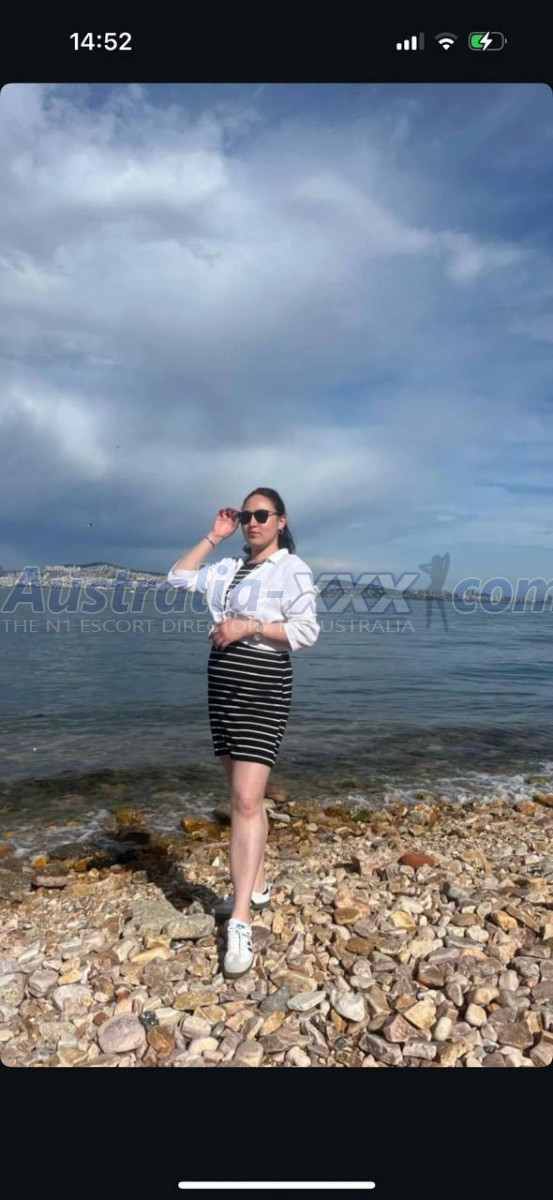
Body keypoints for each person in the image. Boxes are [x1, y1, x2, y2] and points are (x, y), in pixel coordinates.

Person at [166, 487, 320, 979]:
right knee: (240, 798)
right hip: (223, 688)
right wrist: (214, 535)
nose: (252, 522)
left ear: (280, 521)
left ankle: (240, 918)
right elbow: (178, 577)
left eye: (262, 515)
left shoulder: (291, 569)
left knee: (248, 801)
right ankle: (256, 882)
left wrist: (246, 627)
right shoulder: (228, 567)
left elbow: (305, 631)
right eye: (246, 516)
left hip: (264, 689)